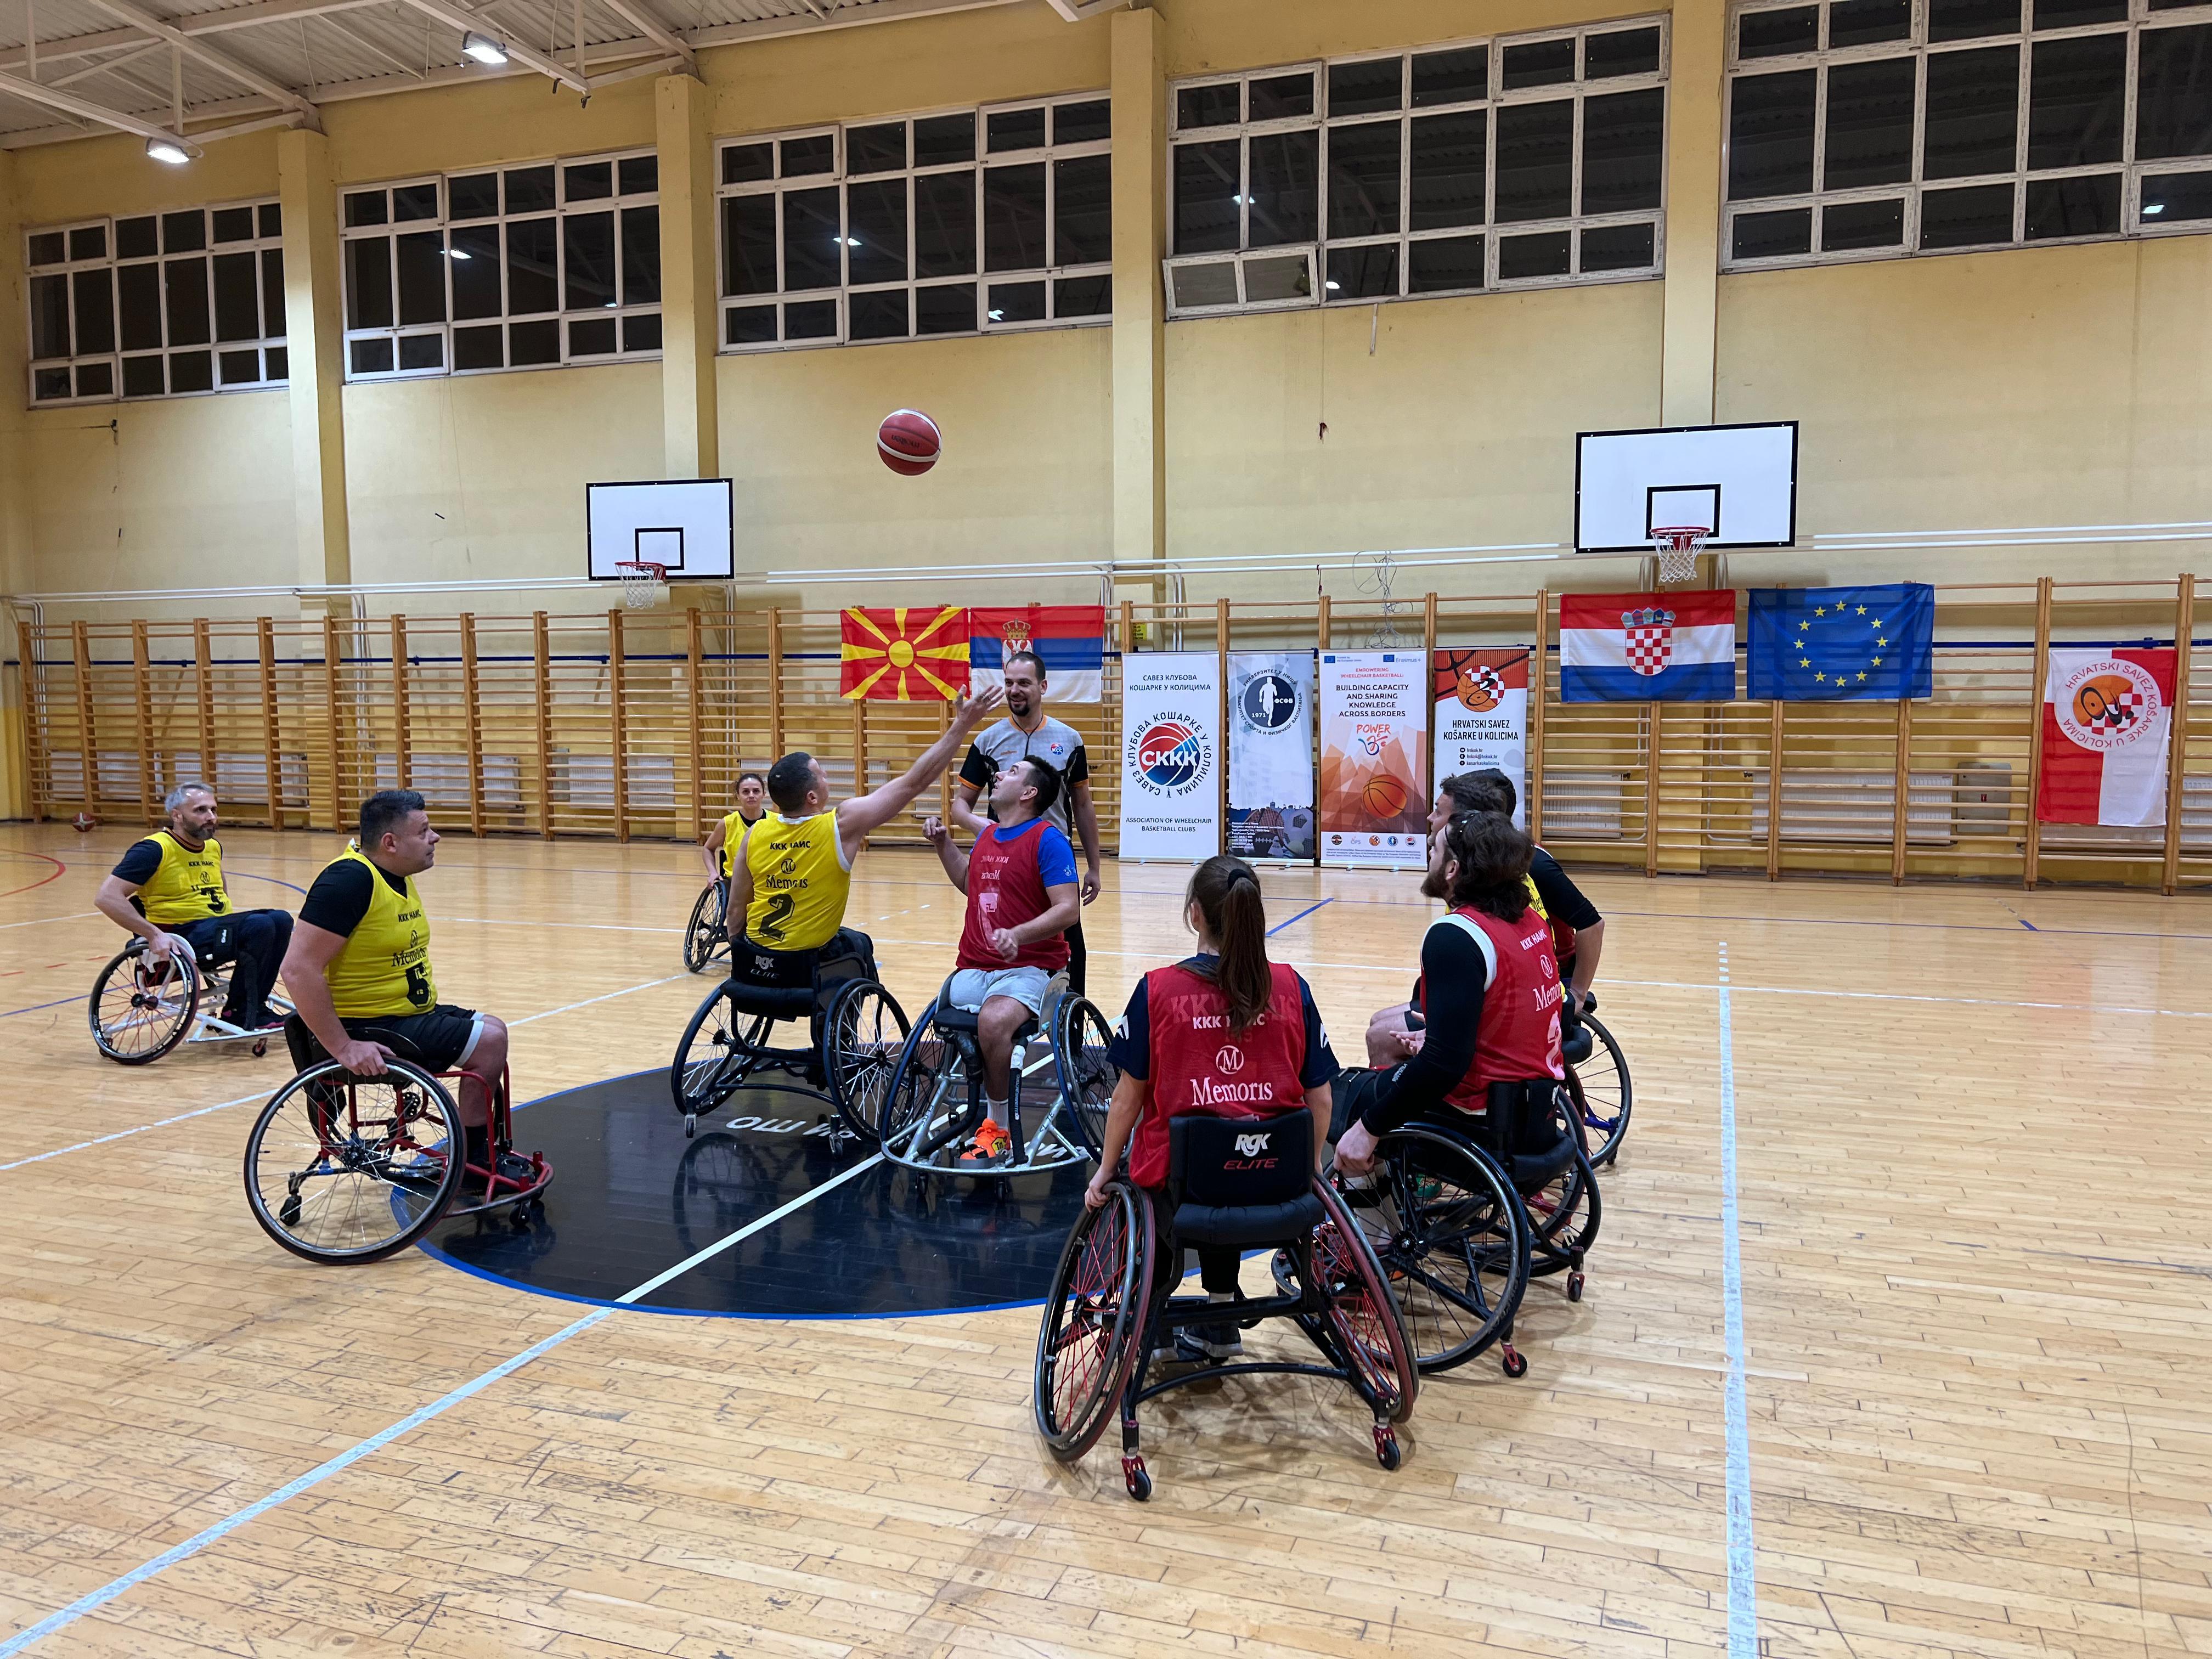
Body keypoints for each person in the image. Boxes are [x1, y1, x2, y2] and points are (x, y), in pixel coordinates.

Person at [1084, 855, 1337, 1360]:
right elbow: (1321, 1097)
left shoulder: (1158, 990)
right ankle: (1221, 1320)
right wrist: (1309, 1167)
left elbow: (1127, 1100)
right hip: (1275, 1175)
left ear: (1195, 914)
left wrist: (1106, 1169)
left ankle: (1153, 1322)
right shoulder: (1292, 987)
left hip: (1187, 1182)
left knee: (1161, 1174)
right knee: (1231, 1158)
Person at [279, 789, 518, 1187]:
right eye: (423, 831)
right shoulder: (349, 881)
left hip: (401, 1013)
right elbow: (297, 969)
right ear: (390, 843)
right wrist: (344, 1047)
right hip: (368, 1025)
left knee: (493, 1028)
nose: (435, 837)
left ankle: (482, 1151)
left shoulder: (393, 875)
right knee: (489, 1042)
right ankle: (472, 1165)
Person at [731, 687, 1005, 1017]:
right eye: (821, 774)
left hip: (757, 957)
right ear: (812, 798)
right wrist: (961, 724)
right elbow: (913, 782)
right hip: (805, 961)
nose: (826, 777)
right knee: (858, 944)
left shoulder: (754, 833)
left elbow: (735, 910)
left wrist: (744, 957)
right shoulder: (839, 826)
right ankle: (844, 1036)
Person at [1333, 812, 1566, 1179]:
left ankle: (1369, 1212)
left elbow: (1444, 1065)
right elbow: (1513, 1016)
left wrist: (1368, 1129)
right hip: (1535, 1106)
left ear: (1453, 869)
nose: (1429, 850)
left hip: (1482, 1119)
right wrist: (1439, 1036)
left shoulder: (1456, 936)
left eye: (1436, 847)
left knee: (1338, 1098)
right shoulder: (1530, 920)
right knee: (1393, 1069)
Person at [1364, 769, 1606, 1069]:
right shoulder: (1492, 881)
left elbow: (1592, 924)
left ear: (1465, 822)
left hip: (1533, 987)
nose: (1430, 818)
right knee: (1386, 1021)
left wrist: (1577, 994)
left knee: (1382, 1036)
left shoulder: (1527, 869)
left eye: (1439, 811)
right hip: (1519, 982)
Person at [921, 755, 1080, 1167]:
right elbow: (968, 883)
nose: (998, 774)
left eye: (1011, 772)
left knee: (993, 1021)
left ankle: (997, 1129)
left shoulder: (1048, 840)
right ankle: (977, 1079)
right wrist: (943, 845)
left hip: (1031, 969)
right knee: (940, 1010)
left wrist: (1019, 934)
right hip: (975, 967)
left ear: (1029, 792)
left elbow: (1068, 909)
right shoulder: (989, 835)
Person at [950, 651, 1103, 992]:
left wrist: (1094, 867)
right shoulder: (987, 740)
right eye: (1008, 683)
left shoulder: (1070, 739)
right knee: (999, 939)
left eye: (1023, 683)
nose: (1014, 690)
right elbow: (960, 806)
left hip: (1052, 857)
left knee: (1070, 944)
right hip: (1003, 860)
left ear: (1043, 686)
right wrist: (984, 828)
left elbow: (1083, 805)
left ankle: (1071, 1023)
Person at [93, 782, 293, 1031]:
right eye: (200, 810)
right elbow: (106, 897)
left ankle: (254, 1005)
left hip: (212, 928)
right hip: (181, 934)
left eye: (213, 810)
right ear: (177, 816)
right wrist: (153, 934)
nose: (211, 817)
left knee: (282, 919)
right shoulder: (153, 849)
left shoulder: (213, 846)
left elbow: (221, 891)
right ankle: (239, 1012)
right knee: (259, 926)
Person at [697, 771, 768, 884]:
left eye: (756, 791)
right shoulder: (727, 823)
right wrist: (713, 873)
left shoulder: (775, 821)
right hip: (736, 882)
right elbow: (708, 849)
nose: (751, 795)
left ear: (764, 794)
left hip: (767, 881)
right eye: (746, 792)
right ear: (738, 796)